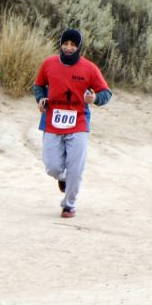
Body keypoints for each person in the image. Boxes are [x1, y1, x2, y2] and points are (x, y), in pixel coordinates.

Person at [33, 29, 112, 218]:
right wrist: (41, 99)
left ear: (79, 47)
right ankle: (62, 178)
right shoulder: (49, 64)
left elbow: (106, 93)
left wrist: (94, 98)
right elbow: (38, 85)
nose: (69, 48)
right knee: (52, 167)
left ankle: (69, 204)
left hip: (78, 122)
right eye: (65, 43)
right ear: (60, 44)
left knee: (76, 168)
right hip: (52, 122)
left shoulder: (89, 68)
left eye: (73, 44)